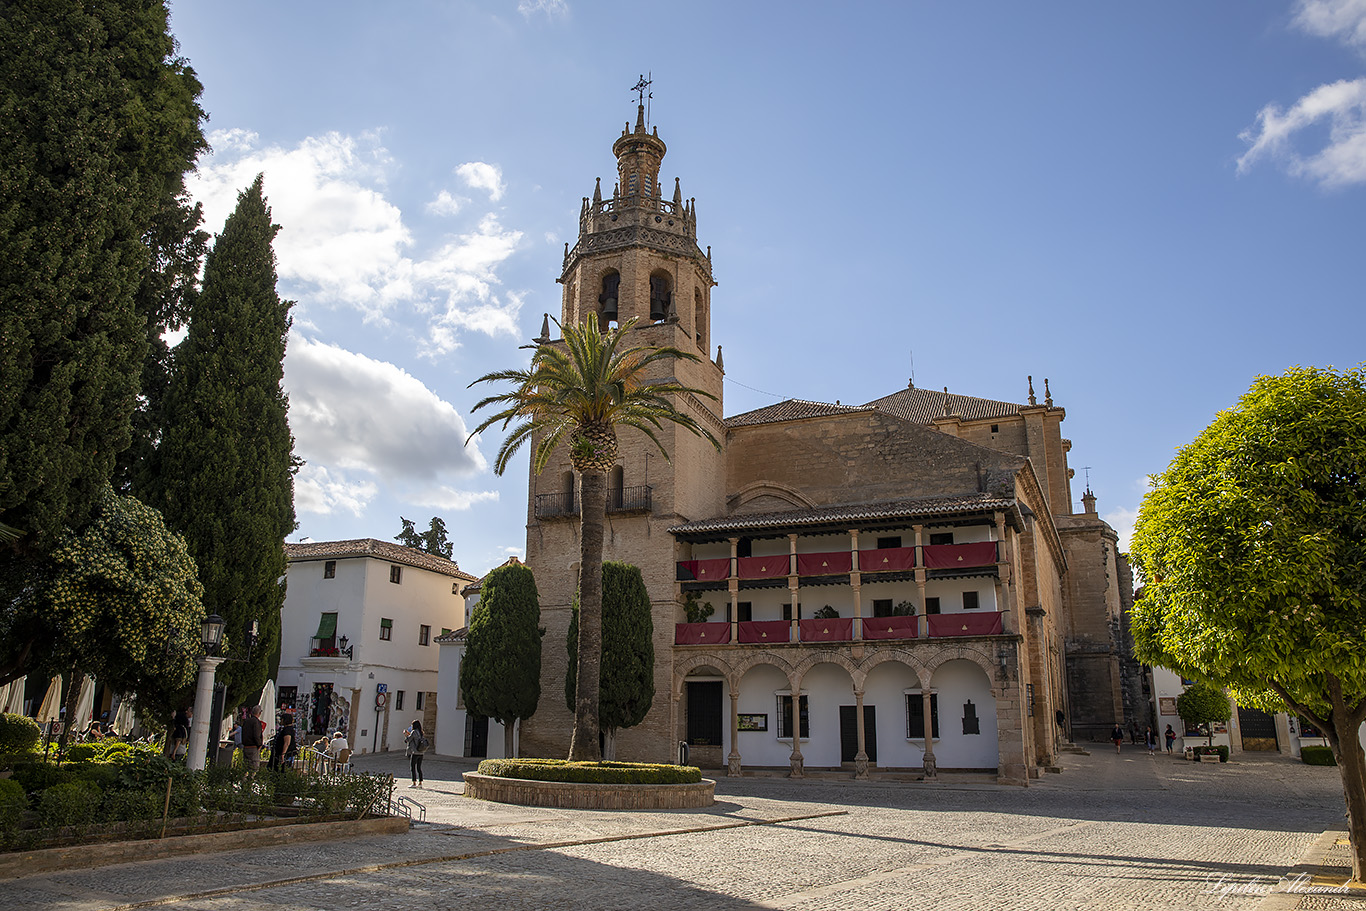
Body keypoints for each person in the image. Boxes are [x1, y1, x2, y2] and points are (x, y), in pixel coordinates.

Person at [240, 706, 265, 771]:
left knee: (245, 767)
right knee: (254, 768)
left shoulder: (246, 721)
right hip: (253, 747)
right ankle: (250, 780)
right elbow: (256, 735)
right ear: (259, 713)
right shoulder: (256, 722)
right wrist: (259, 744)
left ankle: (244, 780)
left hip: (246, 746)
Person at [405, 720, 427, 787]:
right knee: (419, 768)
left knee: (413, 767)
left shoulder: (414, 732)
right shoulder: (421, 732)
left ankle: (414, 782)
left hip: (415, 752)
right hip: (421, 752)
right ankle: (420, 782)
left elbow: (408, 740)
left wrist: (406, 735)